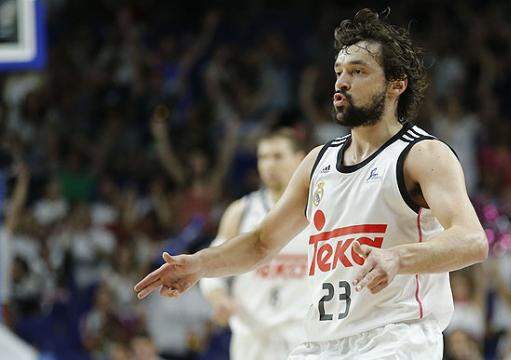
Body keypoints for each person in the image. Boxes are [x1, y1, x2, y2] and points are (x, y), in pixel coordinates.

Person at [135, 8, 488, 359]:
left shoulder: (423, 154)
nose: (341, 82)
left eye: (358, 72)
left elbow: (472, 240)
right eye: (338, 72)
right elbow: (260, 243)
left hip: (394, 339)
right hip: (322, 345)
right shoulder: (318, 162)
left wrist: (399, 257)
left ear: (396, 84)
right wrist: (200, 265)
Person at [199, 128, 307, 360]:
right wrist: (220, 301)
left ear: (300, 159)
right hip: (252, 337)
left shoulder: (321, 209)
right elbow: (211, 268)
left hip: (304, 335)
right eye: (263, 157)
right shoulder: (241, 211)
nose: (269, 165)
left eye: (278, 156)